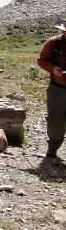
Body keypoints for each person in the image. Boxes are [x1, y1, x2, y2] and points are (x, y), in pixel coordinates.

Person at [37, 23, 66, 160]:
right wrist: (53, 69)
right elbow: (41, 60)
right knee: (55, 120)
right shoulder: (53, 43)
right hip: (57, 89)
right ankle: (53, 147)